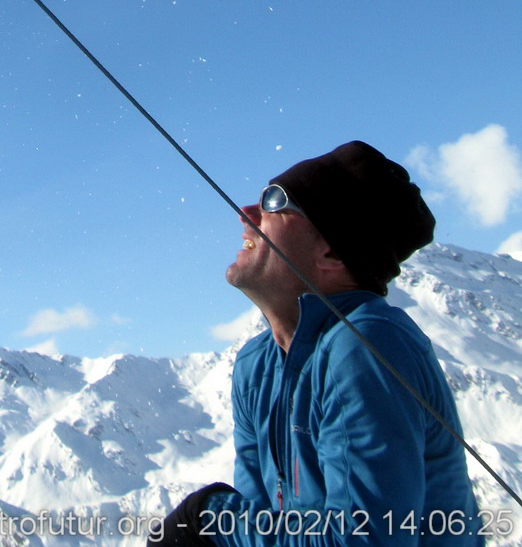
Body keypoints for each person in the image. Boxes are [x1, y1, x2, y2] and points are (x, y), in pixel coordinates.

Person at [162, 141, 478, 547]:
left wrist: (209, 517)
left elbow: (359, 541)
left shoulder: (363, 347)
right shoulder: (256, 365)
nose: (248, 213)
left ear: (330, 251)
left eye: (275, 201)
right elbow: (265, 527)